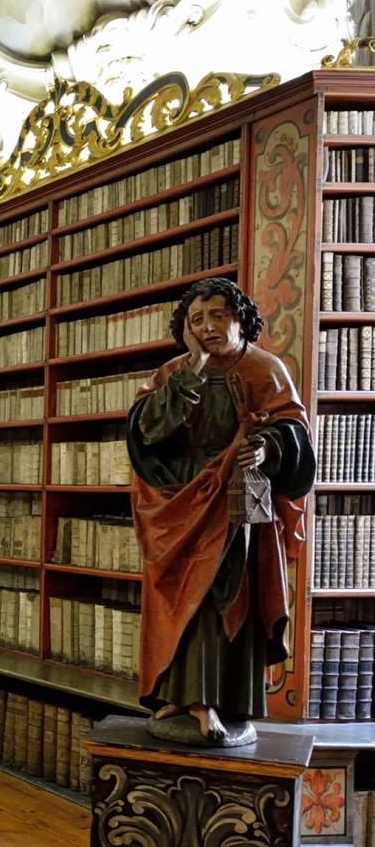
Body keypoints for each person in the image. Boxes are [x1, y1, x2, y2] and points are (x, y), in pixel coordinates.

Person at [125, 277, 314, 747]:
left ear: (239, 319)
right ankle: (175, 693)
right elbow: (145, 433)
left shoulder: (264, 368)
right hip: (180, 501)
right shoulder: (173, 371)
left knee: (221, 599)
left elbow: (293, 430)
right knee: (177, 597)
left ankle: (214, 702)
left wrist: (267, 450)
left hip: (235, 500)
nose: (208, 327)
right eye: (197, 320)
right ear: (185, 329)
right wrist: (192, 369)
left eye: (218, 316)